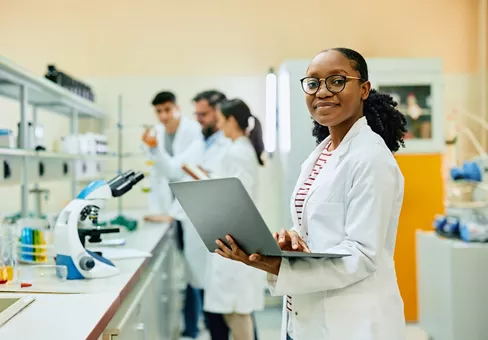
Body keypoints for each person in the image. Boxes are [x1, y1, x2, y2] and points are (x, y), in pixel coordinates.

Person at [214, 47, 408, 340]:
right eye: (314, 83)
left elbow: (362, 256)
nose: (323, 91)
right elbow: (320, 225)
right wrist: (292, 242)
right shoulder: (321, 154)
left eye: (337, 81)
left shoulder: (371, 158)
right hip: (307, 316)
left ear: (364, 89)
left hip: (351, 322)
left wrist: (278, 265)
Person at [204, 98, 266, 340]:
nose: (218, 126)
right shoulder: (238, 149)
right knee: (233, 311)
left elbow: (240, 197)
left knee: (237, 312)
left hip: (236, 239)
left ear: (231, 120)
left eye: (220, 121)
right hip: (232, 238)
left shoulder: (238, 151)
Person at [142, 91, 203, 223]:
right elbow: (155, 174)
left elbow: (175, 170)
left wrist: (155, 148)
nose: (163, 115)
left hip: (189, 201)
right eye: (158, 111)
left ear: (177, 108)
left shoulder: (194, 131)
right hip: (164, 202)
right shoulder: (156, 133)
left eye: (167, 110)